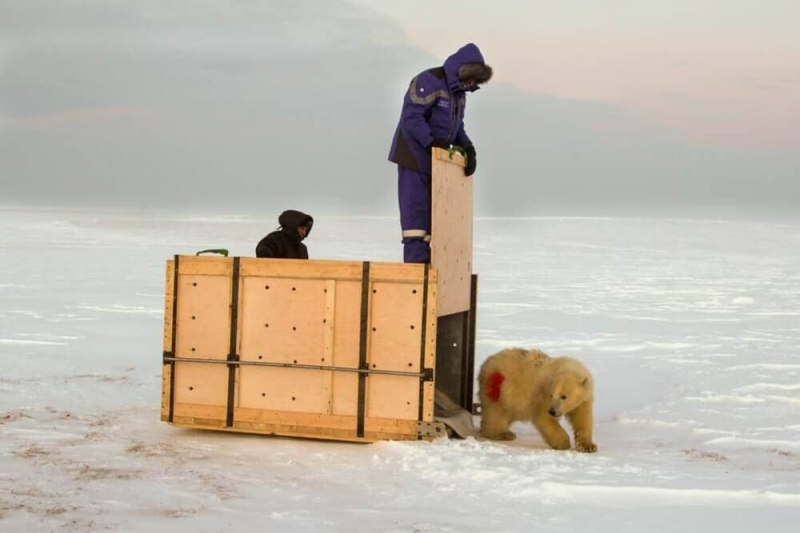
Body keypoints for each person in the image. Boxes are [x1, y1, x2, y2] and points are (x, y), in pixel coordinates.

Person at [388, 43, 492, 263]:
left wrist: (468, 147)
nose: (472, 84)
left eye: (476, 80)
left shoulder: (458, 95)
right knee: (416, 221)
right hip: (414, 158)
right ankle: (417, 275)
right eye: (472, 77)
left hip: (437, 163)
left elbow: (456, 128)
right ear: (463, 70)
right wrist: (430, 142)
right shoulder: (429, 81)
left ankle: (431, 272)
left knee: (436, 222)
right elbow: (412, 118)